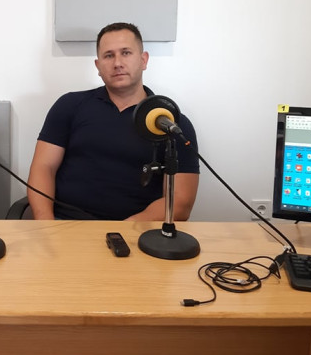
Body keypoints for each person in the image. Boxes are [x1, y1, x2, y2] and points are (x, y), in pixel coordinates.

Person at [28, 22, 199, 222]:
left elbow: (180, 202)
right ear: (98, 66)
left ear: (143, 60)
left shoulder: (171, 123)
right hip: (65, 225)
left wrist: (123, 231)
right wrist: (45, 225)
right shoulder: (69, 106)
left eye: (126, 53)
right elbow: (43, 168)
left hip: (138, 231)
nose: (117, 63)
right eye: (108, 56)